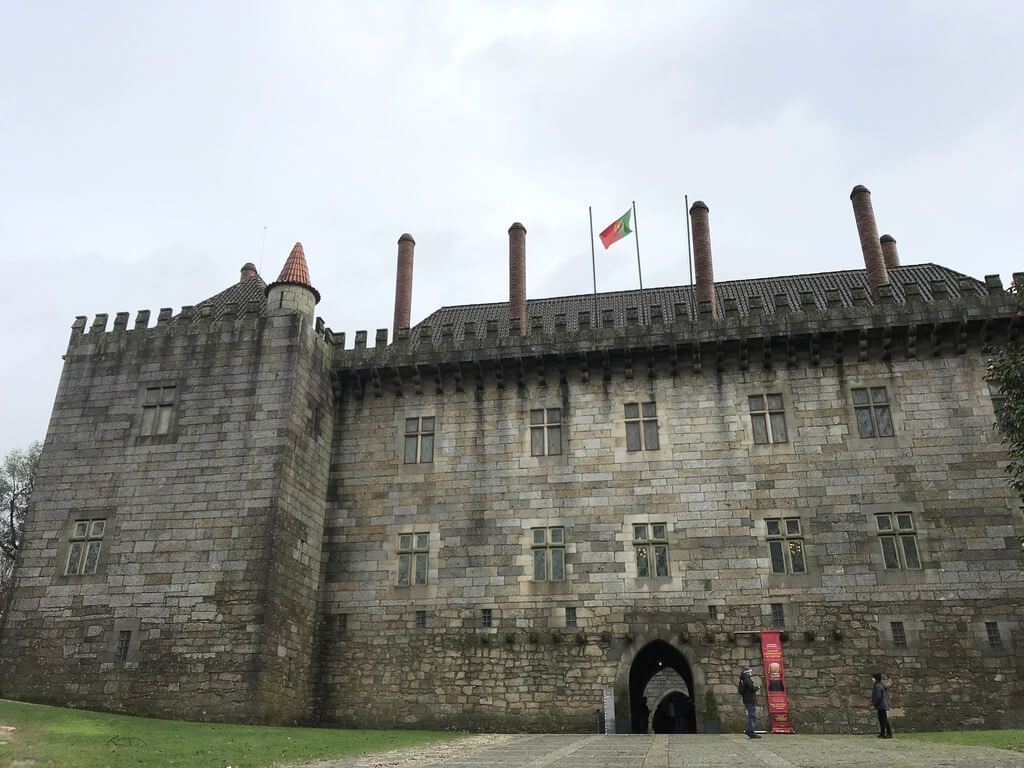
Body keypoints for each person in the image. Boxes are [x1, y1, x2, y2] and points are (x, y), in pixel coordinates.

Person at [738, 666, 761, 738]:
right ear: (747, 673)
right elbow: (752, 688)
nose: (751, 673)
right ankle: (751, 732)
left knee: (751, 715)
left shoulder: (742, 680)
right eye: (750, 672)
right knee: (752, 716)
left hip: (746, 699)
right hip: (750, 699)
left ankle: (749, 730)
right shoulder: (747, 679)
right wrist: (757, 687)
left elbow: (741, 691)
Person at [871, 672, 893, 738]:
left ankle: (888, 733)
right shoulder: (880, 685)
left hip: (881, 705)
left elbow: (878, 696)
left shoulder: (878, 686)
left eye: (873, 678)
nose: (872, 679)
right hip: (881, 705)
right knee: (882, 719)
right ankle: (883, 733)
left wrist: (874, 704)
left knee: (884, 719)